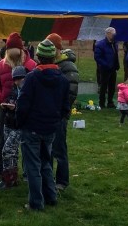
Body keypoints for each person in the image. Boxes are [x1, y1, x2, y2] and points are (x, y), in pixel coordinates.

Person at [16, 39, 71, 211]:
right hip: (50, 127)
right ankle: (51, 196)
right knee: (46, 162)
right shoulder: (62, 79)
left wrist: (19, 122)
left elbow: (22, 104)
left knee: (33, 165)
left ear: (38, 56)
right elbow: (65, 106)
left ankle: (36, 203)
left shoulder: (32, 78)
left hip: (32, 127)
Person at [0, 32, 37, 178]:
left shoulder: (31, 65)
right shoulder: (1, 64)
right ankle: (0, 171)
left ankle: (26, 172)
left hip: (23, 109)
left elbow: (35, 87)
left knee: (25, 141)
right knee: (2, 141)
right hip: (5, 107)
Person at [46, 32, 79, 191]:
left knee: (59, 148)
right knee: (48, 148)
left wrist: (60, 110)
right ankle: (49, 177)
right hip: (48, 113)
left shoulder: (67, 66)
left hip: (59, 114)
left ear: (58, 49)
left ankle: (62, 181)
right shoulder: (53, 63)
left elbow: (71, 93)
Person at [0, 65, 27, 189]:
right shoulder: (13, 89)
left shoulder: (27, 91)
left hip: (18, 126)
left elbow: (28, 108)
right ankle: (12, 178)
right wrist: (5, 105)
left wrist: (15, 107)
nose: (18, 81)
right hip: (9, 122)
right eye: (16, 78)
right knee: (12, 152)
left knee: (7, 151)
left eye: (20, 78)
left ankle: (7, 179)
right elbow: (10, 100)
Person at [94, 27, 120, 109]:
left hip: (113, 68)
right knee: (103, 86)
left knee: (112, 86)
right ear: (108, 34)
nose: (114, 35)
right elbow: (97, 57)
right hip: (105, 69)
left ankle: (110, 102)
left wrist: (116, 65)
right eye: (113, 34)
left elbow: (116, 55)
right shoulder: (100, 44)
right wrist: (105, 64)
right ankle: (102, 103)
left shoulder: (115, 43)